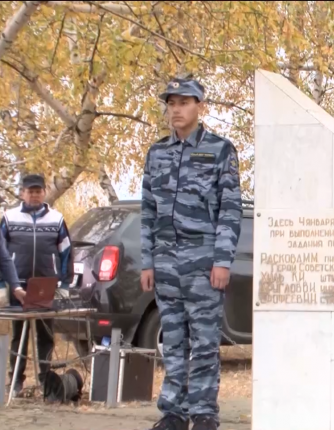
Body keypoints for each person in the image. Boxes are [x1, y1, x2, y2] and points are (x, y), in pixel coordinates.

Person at [141, 76, 242, 430]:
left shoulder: (220, 150)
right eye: (171, 103)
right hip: (166, 264)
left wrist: (223, 260)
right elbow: (148, 211)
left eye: (184, 102)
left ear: (200, 106)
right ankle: (173, 412)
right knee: (173, 341)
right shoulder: (156, 153)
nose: (176, 109)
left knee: (203, 341)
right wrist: (147, 261)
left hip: (203, 263)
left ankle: (202, 414)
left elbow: (230, 210)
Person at [1, 174, 74, 396]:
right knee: (17, 337)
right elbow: (1, 254)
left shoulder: (57, 219)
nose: (34, 195)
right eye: (30, 191)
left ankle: (45, 381)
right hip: (17, 288)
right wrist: (4, 285)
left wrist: (64, 284)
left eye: (38, 191)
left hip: (45, 286)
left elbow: (66, 252)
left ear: (44, 192)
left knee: (45, 335)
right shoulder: (9, 218)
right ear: (22, 192)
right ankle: (16, 382)